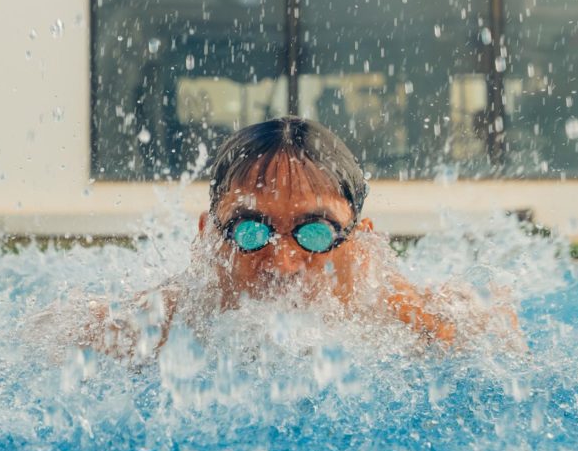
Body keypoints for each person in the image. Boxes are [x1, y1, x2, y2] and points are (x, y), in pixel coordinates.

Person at [80, 116, 518, 361]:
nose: (283, 262)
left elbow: (496, 325)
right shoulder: (164, 323)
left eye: (315, 233)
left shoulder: (410, 321)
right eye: (249, 231)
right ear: (207, 238)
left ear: (363, 245)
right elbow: (51, 335)